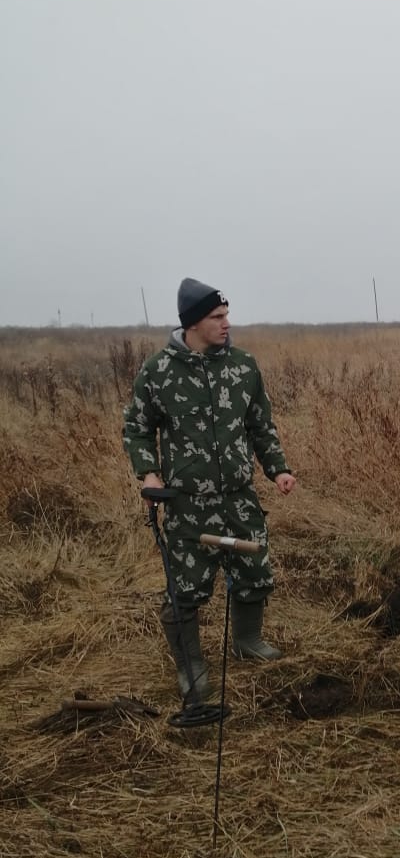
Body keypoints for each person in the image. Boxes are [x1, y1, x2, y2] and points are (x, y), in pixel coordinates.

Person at [123, 278, 296, 704]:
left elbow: (260, 425)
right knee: (186, 589)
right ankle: (191, 665)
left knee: (254, 571)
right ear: (193, 323)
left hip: (239, 496)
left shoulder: (243, 366)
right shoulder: (159, 371)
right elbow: (137, 428)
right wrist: (149, 474)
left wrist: (278, 470)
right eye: (217, 317)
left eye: (226, 314)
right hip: (188, 504)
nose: (226, 323)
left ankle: (247, 641)